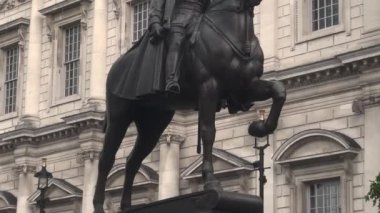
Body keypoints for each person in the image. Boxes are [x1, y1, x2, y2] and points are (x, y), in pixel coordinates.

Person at [148, 0, 209, 94]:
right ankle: (171, 80)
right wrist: (155, 20)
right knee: (176, 41)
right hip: (179, 15)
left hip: (201, 18)